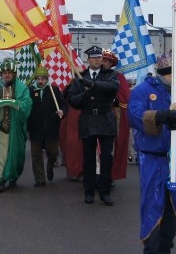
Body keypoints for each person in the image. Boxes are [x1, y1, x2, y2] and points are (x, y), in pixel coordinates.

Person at [128, 52, 176, 254]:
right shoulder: (142, 91)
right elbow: (134, 115)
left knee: (174, 206)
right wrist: (161, 116)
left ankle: (165, 252)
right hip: (153, 158)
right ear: (169, 72)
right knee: (153, 205)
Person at [65, 45, 120, 205]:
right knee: (88, 159)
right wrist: (86, 94)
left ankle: (105, 192)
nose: (97, 60)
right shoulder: (79, 77)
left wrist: (94, 85)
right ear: (88, 60)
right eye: (94, 58)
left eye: (100, 58)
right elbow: (73, 101)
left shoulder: (110, 75)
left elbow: (113, 88)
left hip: (105, 118)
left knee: (106, 158)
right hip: (88, 119)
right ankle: (89, 191)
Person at [0, 59, 32, 192]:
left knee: (17, 154)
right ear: (1, 74)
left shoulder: (22, 87)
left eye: (10, 72)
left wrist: (16, 104)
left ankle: (13, 176)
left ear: (14, 73)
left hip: (15, 128)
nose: (7, 75)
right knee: (0, 153)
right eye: (5, 72)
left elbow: (27, 104)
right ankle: (0, 179)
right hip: (0, 128)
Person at [26, 66, 66, 187]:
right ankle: (40, 179)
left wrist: (62, 111)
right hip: (35, 127)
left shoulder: (54, 90)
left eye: (43, 78)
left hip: (51, 127)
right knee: (35, 154)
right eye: (38, 78)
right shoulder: (30, 90)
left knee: (53, 152)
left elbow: (63, 105)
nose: (40, 81)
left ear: (47, 79)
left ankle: (50, 165)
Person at [101, 49, 131, 185]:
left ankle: (109, 175)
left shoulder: (118, 77)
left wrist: (115, 100)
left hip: (113, 116)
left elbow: (125, 98)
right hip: (97, 116)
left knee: (110, 147)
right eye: (103, 60)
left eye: (107, 61)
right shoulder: (94, 75)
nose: (104, 62)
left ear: (111, 63)